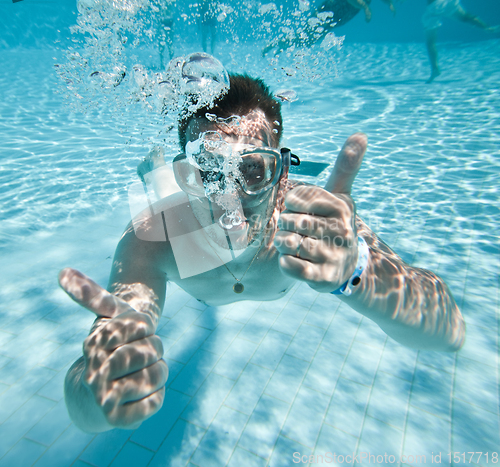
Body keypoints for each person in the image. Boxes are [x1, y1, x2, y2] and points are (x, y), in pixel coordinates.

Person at [60, 74, 465, 433]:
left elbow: (450, 333)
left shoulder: (315, 227)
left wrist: (359, 273)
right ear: (190, 175)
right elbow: (86, 401)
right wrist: (95, 392)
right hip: (177, 215)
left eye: (253, 170)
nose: (229, 199)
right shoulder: (152, 238)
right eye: (206, 170)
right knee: (163, 196)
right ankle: (159, 170)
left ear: (281, 173)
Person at [262, 0, 396, 56]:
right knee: (306, 37)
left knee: (308, 40)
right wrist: (366, 8)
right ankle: (277, 45)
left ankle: (281, 45)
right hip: (328, 11)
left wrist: (389, 2)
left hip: (335, 18)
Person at [399, 0, 499, 83]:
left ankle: (435, 69)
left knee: (430, 41)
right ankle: (487, 28)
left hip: (436, 4)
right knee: (465, 17)